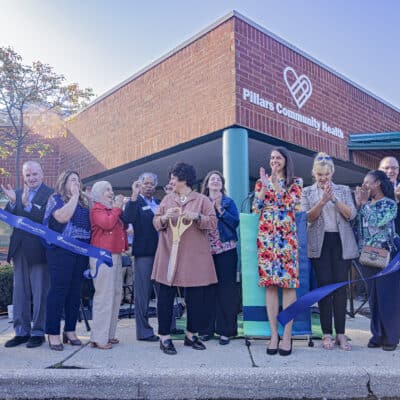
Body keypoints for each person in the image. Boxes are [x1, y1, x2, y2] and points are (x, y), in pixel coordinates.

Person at [152, 162, 217, 355]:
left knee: (196, 299)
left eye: (173, 178)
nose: (170, 181)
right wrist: (164, 218)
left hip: (194, 258)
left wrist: (197, 216)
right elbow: (156, 222)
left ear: (184, 179)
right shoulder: (167, 200)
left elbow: (212, 223)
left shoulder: (202, 200)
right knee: (165, 297)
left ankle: (191, 335)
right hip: (168, 256)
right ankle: (164, 337)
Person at [301, 153, 359, 351]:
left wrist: (333, 199)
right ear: (314, 174)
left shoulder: (342, 190)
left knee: (341, 290)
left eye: (326, 174)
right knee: (324, 289)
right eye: (319, 174)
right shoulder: (307, 192)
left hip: (341, 243)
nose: (323, 177)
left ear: (332, 172)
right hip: (320, 244)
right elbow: (308, 218)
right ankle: (327, 333)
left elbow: (351, 214)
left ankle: (341, 334)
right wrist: (322, 201)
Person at [252, 147, 302, 356]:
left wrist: (274, 183)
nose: (274, 161)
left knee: (289, 286)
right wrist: (264, 186)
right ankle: (274, 334)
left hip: (286, 238)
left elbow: (292, 204)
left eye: (278, 158)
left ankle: (287, 335)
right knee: (270, 286)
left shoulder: (295, 182)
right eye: (271, 158)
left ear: (285, 160)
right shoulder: (260, 181)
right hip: (266, 237)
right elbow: (257, 206)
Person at [1, 161, 53, 348]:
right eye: (28, 175)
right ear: (24, 177)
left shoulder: (50, 194)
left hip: (39, 250)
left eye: (34, 174)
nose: (31, 178)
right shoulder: (15, 193)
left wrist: (27, 204)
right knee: (20, 292)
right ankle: (21, 332)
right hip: (19, 249)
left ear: (42, 173)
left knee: (40, 292)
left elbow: (44, 219)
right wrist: (14, 203)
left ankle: (38, 332)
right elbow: (9, 219)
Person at [43, 171, 91, 351]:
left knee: (75, 291)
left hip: (81, 252)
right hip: (61, 251)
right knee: (59, 290)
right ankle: (53, 332)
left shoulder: (84, 203)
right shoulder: (56, 199)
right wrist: (75, 195)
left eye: (78, 180)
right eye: (72, 180)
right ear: (63, 183)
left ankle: (70, 330)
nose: (76, 183)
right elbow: (62, 217)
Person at [355, 170, 400, 351]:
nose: (364, 186)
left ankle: (391, 336)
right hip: (367, 256)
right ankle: (377, 334)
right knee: (373, 298)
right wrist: (360, 206)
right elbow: (360, 227)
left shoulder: (389, 204)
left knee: (387, 297)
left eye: (367, 183)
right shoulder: (366, 204)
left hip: (386, 256)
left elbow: (377, 221)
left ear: (378, 183)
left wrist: (364, 205)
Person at [199, 171, 239, 345]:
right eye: (212, 179)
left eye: (218, 179)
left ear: (222, 184)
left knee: (226, 291)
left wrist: (219, 209)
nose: (215, 181)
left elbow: (234, 222)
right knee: (207, 291)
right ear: (207, 184)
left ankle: (226, 331)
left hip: (227, 250)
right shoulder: (200, 201)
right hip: (205, 252)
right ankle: (206, 329)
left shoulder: (228, 202)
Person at [89, 181, 128, 349]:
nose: (111, 193)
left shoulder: (111, 209)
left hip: (115, 254)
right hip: (102, 256)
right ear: (98, 193)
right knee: (104, 296)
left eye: (111, 189)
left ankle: (109, 334)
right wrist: (118, 207)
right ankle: (99, 337)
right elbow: (107, 224)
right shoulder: (97, 210)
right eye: (107, 190)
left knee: (115, 295)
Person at [379, 157, 400, 233]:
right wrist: (395, 199)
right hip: (381, 238)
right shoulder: (374, 189)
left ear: (398, 170)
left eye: (394, 168)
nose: (390, 171)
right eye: (386, 168)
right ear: (380, 170)